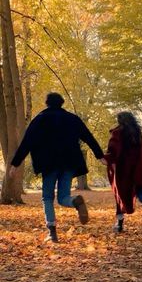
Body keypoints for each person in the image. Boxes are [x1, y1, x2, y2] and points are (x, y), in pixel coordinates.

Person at [10, 92, 106, 242]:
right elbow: (88, 137)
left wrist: (15, 164)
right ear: (61, 103)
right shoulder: (72, 119)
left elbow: (26, 142)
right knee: (63, 197)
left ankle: (52, 232)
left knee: (47, 197)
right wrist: (100, 156)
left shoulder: (40, 119)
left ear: (47, 103)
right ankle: (75, 201)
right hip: (69, 163)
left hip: (49, 164)